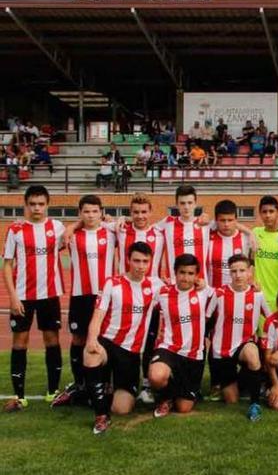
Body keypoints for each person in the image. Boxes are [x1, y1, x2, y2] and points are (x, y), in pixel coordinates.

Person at [82, 242, 164, 434]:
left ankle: (86, 392)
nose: (140, 266)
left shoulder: (156, 285)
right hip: (108, 343)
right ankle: (101, 415)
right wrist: (92, 340)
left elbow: (178, 294)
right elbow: (97, 316)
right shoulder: (113, 283)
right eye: (136, 260)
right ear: (127, 260)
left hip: (131, 352)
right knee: (90, 353)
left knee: (122, 409)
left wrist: (199, 284)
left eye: (145, 261)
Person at [2, 186, 65, 412]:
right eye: (32, 204)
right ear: (26, 205)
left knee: (52, 341)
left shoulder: (57, 227)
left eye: (41, 204)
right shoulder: (16, 230)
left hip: (49, 295)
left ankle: (53, 392)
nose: (37, 208)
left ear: (47, 204)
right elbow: (7, 265)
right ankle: (20, 396)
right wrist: (12, 296)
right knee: (20, 342)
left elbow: (76, 233)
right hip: (23, 297)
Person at [51, 195, 117, 407]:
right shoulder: (70, 234)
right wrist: (73, 227)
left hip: (105, 296)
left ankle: (105, 382)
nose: (90, 215)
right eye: (86, 211)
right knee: (78, 340)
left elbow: (127, 222)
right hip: (80, 295)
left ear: (101, 212)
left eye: (94, 211)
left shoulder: (111, 231)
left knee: (104, 339)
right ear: (80, 213)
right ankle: (80, 383)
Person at [206, 255, 271, 421]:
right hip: (222, 351)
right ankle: (246, 381)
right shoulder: (219, 294)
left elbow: (271, 319)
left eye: (242, 270)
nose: (238, 275)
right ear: (230, 273)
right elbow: (206, 320)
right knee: (231, 399)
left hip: (244, 344)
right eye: (234, 271)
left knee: (252, 354)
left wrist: (266, 337)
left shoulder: (257, 295)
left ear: (250, 272)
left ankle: (255, 404)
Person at [115, 194, 166, 404]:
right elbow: (93, 221)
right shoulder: (119, 230)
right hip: (124, 298)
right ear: (130, 213)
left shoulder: (160, 234)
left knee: (149, 341)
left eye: (144, 211)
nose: (140, 216)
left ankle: (146, 384)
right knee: (123, 341)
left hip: (150, 299)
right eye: (135, 212)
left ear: (150, 212)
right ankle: (120, 381)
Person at [149, 254, 214, 418]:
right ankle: (165, 398)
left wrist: (255, 288)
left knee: (184, 408)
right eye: (182, 272)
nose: (186, 277)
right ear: (175, 273)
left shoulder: (205, 292)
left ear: (197, 275)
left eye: (191, 273)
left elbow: (230, 295)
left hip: (193, 355)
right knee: (156, 376)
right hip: (169, 348)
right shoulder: (163, 293)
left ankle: (177, 392)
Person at [156, 185, 211, 279]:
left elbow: (232, 223)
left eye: (190, 203)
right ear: (177, 204)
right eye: (182, 203)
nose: (186, 207)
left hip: (200, 285)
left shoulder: (206, 224)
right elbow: (144, 226)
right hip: (175, 284)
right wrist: (125, 218)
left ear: (195, 204)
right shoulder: (167, 223)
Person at [206, 200, 252, 289]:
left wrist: (250, 233)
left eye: (230, 220)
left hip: (238, 295)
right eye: (222, 220)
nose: (226, 224)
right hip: (213, 295)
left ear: (236, 220)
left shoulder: (246, 238)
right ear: (216, 221)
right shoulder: (207, 238)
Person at [252, 196, 278, 314]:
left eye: (271, 211)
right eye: (264, 212)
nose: (268, 215)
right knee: (263, 333)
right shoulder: (255, 233)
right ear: (260, 214)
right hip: (261, 296)